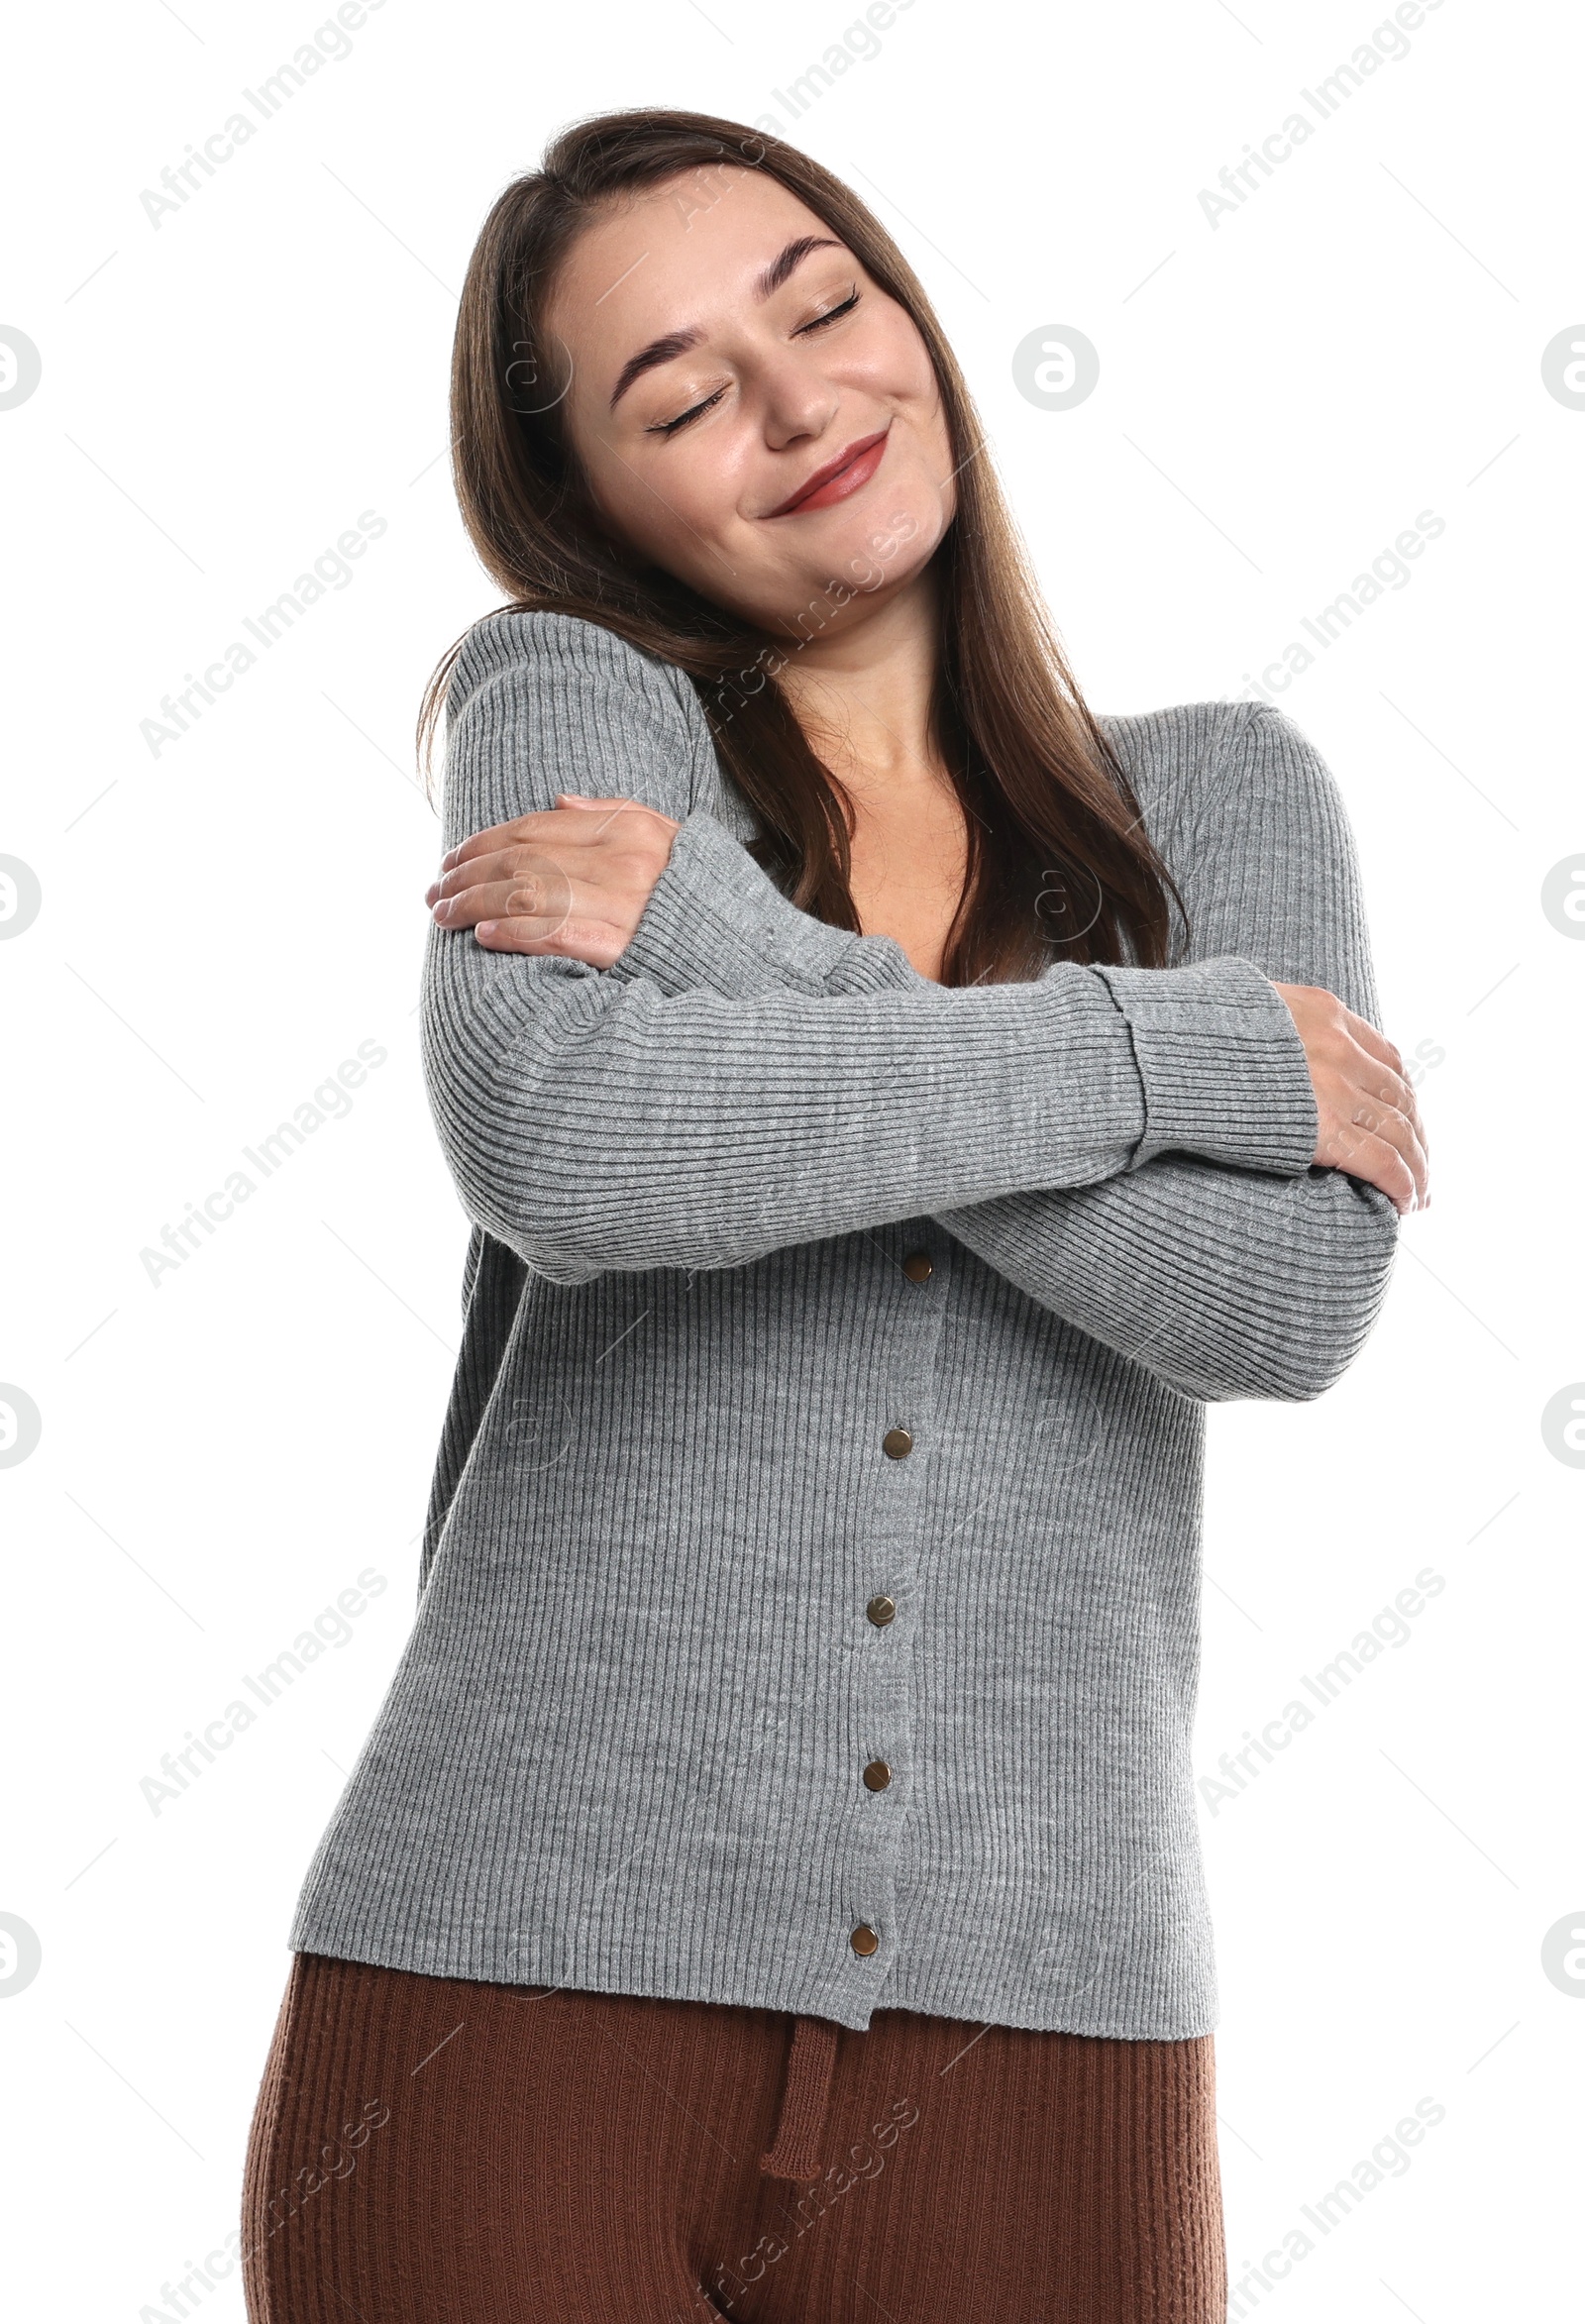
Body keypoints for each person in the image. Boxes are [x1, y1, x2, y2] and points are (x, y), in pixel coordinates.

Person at [240, 108, 1427, 2324]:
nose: (797, 406)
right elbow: (573, 1154)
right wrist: (1182, 1059)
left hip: (1048, 2023)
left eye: (823, 303)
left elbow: (1276, 1294)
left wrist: (738, 951)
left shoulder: (1221, 795)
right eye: (679, 396)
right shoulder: (573, 710)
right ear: (589, 504)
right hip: (502, 1993)